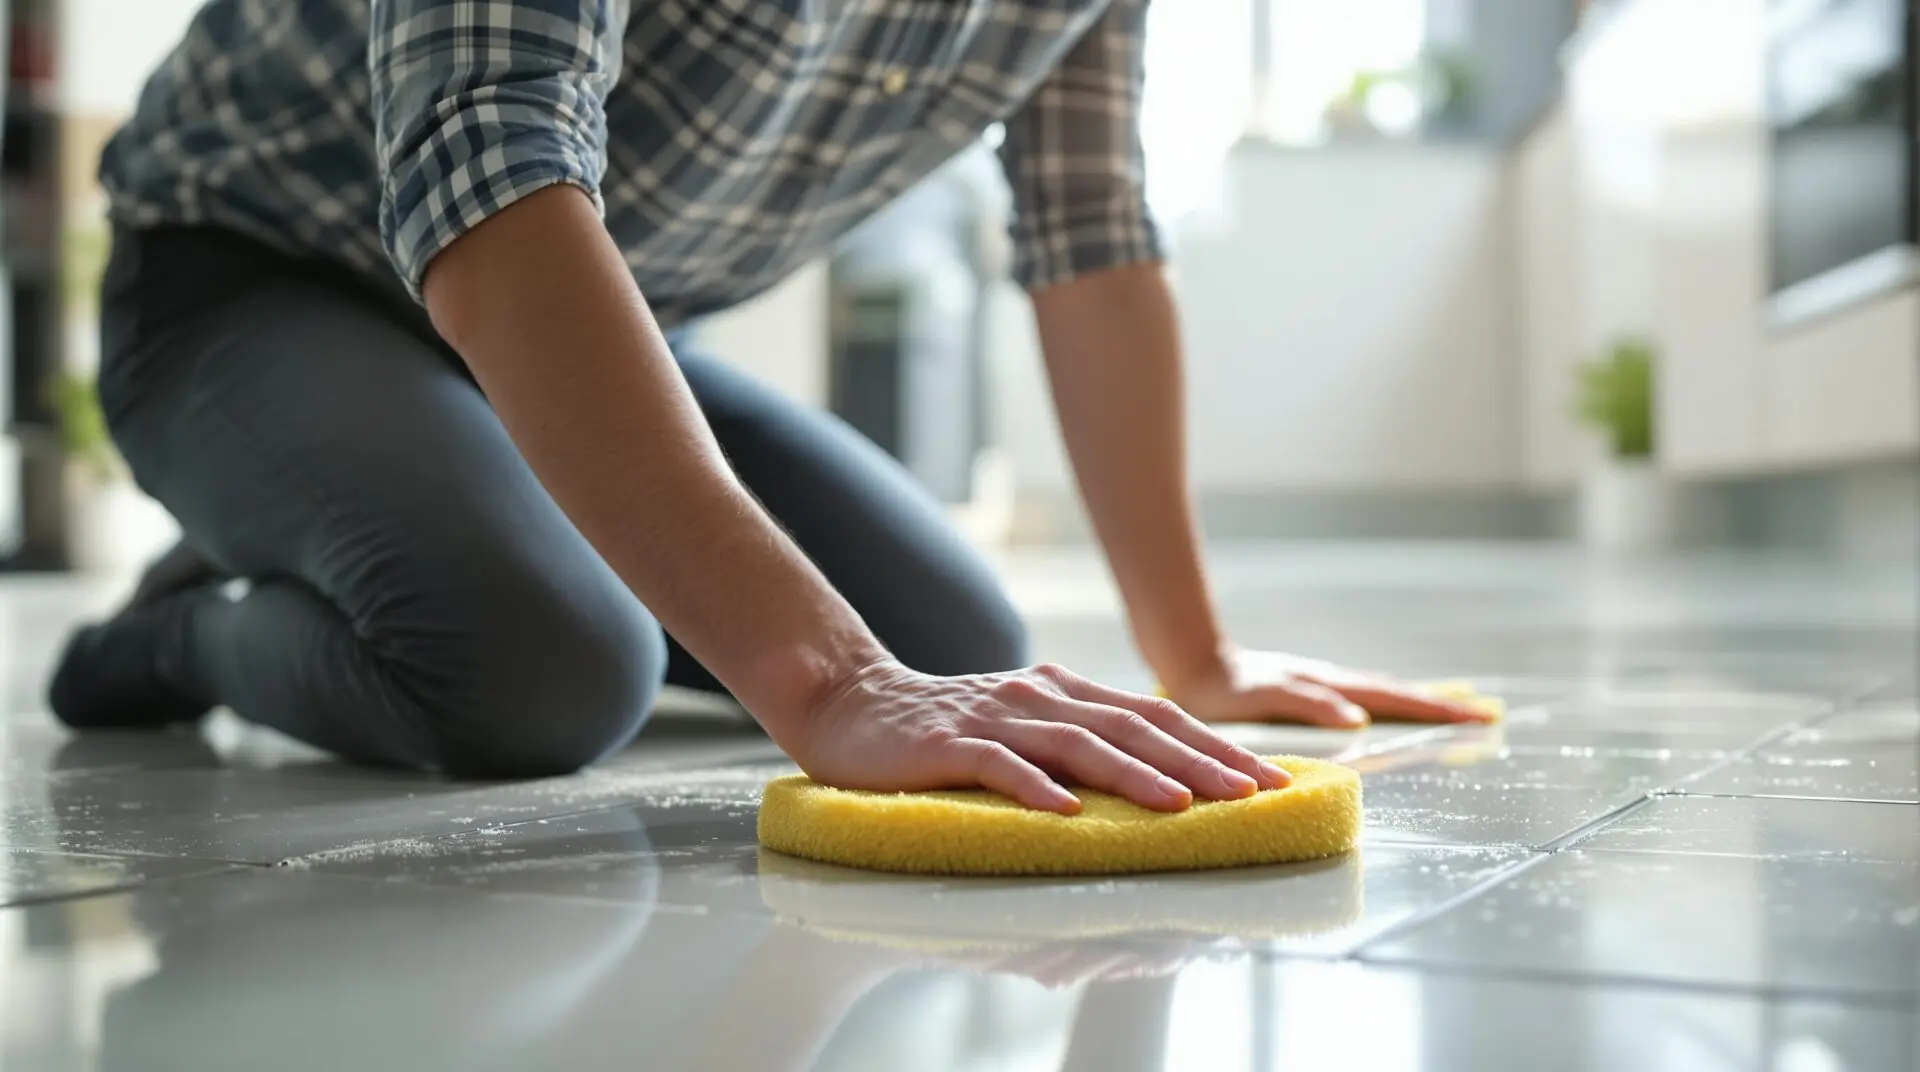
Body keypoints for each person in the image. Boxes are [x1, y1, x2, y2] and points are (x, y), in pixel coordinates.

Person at [51, 0, 1491, 814]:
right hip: (252, 277)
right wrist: (829, 684)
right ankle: (179, 634)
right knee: (548, 666)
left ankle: (399, 510)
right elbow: (485, 159)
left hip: (551, 329)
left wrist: (1193, 648)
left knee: (956, 649)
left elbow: (1090, 232)